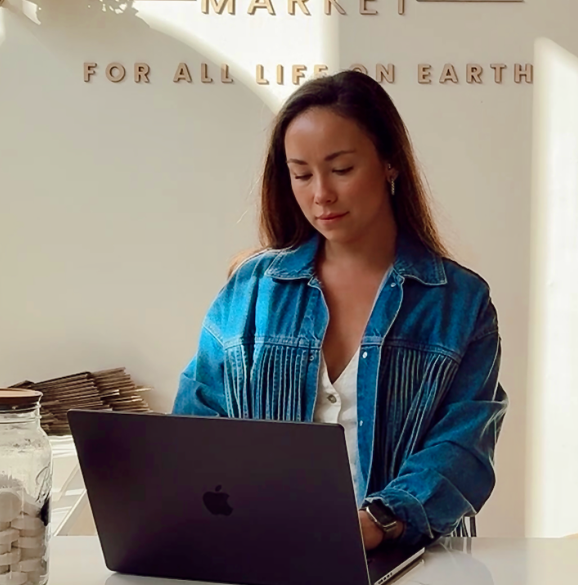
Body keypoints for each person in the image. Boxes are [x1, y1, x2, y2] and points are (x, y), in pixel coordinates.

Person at [172, 70, 508, 550]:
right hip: (262, 559)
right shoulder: (251, 290)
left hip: (409, 565)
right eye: (302, 174)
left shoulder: (458, 301)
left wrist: (379, 522)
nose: (320, 194)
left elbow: (464, 448)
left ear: (390, 163)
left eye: (342, 169)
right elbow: (196, 426)